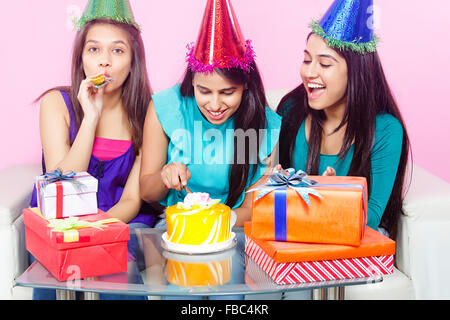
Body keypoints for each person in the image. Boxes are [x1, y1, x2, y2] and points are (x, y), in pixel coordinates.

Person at [139, 0, 281, 300]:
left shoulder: (266, 125)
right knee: (181, 292)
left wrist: (221, 221)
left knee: (232, 293)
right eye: (204, 91)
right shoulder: (166, 107)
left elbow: (259, 208)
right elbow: (147, 193)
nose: (215, 105)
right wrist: (165, 176)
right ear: (192, 82)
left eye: (227, 93)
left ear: (245, 87)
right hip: (179, 229)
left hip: (236, 227)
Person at [29, 0, 156, 300]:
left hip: (116, 221)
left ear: (133, 60)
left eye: (118, 50)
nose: (105, 62)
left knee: (118, 273)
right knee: (51, 273)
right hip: (61, 222)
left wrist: (95, 235)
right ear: (81, 57)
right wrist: (91, 117)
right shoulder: (55, 104)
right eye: (94, 49)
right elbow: (61, 183)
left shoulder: (147, 113)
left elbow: (131, 199)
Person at [277, 0, 411, 241]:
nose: (309, 72)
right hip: (296, 240)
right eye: (307, 60)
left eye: (325, 63)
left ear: (356, 71)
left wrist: (332, 199)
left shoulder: (385, 130)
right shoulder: (291, 111)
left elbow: (371, 217)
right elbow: (279, 206)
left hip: (352, 244)